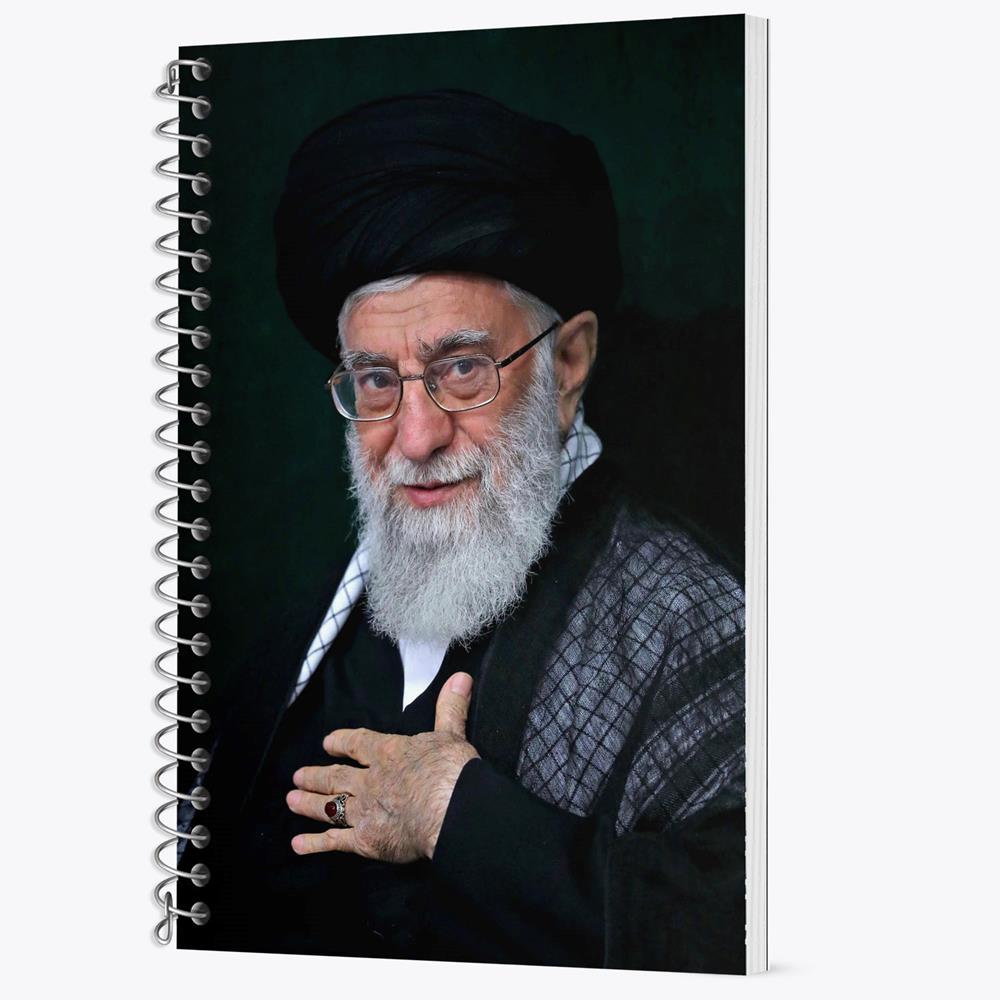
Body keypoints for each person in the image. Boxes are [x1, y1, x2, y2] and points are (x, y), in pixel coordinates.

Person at [183, 90, 746, 972]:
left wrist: (458, 815)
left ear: (568, 362)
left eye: (461, 369)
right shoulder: (319, 614)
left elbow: (746, 926)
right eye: (378, 380)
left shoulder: (692, 621)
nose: (416, 438)